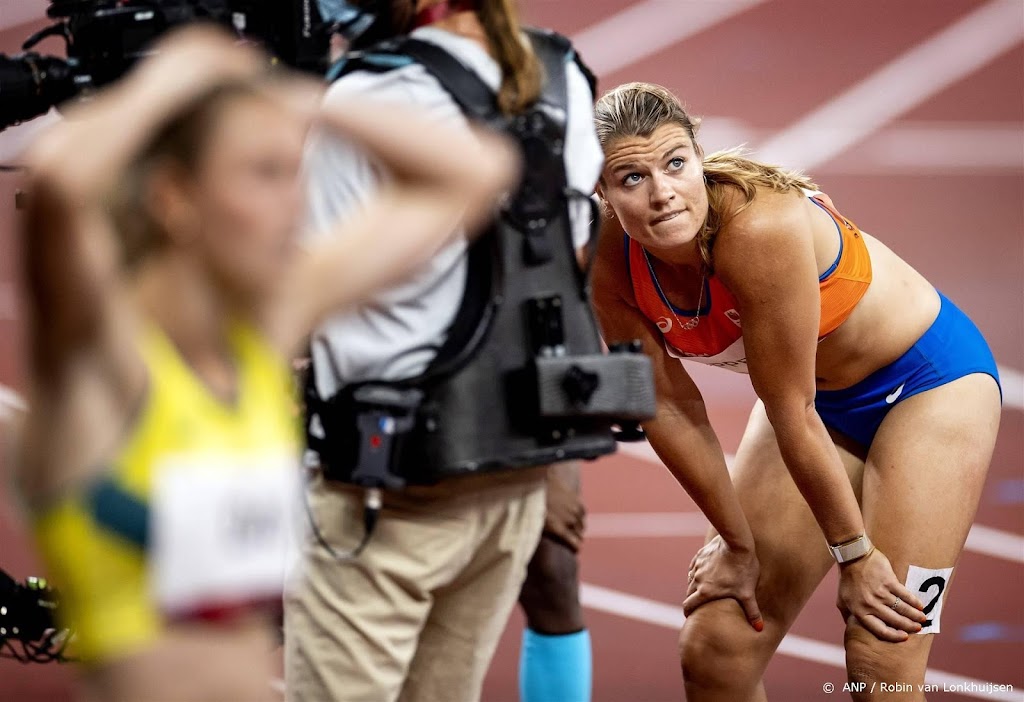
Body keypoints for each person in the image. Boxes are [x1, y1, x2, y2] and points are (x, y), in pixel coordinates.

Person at [16, 27, 517, 702]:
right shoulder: (104, 358)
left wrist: (299, 97)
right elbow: (60, 184)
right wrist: (175, 78)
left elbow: (476, 170)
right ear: (174, 198)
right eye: (265, 174)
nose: (297, 204)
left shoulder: (263, 339)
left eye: (297, 173)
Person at [588, 82, 1001, 702]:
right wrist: (735, 544)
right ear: (602, 193)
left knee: (881, 655)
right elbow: (668, 406)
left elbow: (790, 408)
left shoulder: (759, 226)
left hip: (928, 388)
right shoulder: (603, 259)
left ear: (699, 157)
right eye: (631, 178)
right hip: (813, 409)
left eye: (676, 163)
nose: (663, 192)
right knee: (716, 646)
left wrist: (856, 559)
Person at [283, 1, 601, 701]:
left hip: (386, 494)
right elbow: (567, 274)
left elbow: (304, 297)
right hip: (513, 481)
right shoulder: (562, 75)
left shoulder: (373, 95)